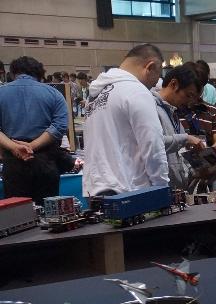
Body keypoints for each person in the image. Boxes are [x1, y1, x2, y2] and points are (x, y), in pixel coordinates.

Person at [83, 44, 168, 197]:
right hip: (129, 190)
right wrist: (161, 188)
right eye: (156, 77)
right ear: (150, 67)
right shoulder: (136, 91)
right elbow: (153, 144)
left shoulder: (96, 94)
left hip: (95, 189)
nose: (154, 85)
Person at [0, 56, 69, 202]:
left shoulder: (1, 92)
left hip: (13, 162)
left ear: (12, 73)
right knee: (48, 209)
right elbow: (60, 126)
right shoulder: (54, 94)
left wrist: (14, 147)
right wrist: (32, 146)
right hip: (45, 160)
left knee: (18, 211)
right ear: (39, 74)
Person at [152, 63, 205, 190]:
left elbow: (179, 155)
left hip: (176, 189)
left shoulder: (173, 113)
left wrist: (196, 172)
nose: (189, 102)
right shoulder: (151, 108)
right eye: (188, 95)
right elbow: (154, 143)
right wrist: (186, 139)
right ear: (174, 84)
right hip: (160, 187)